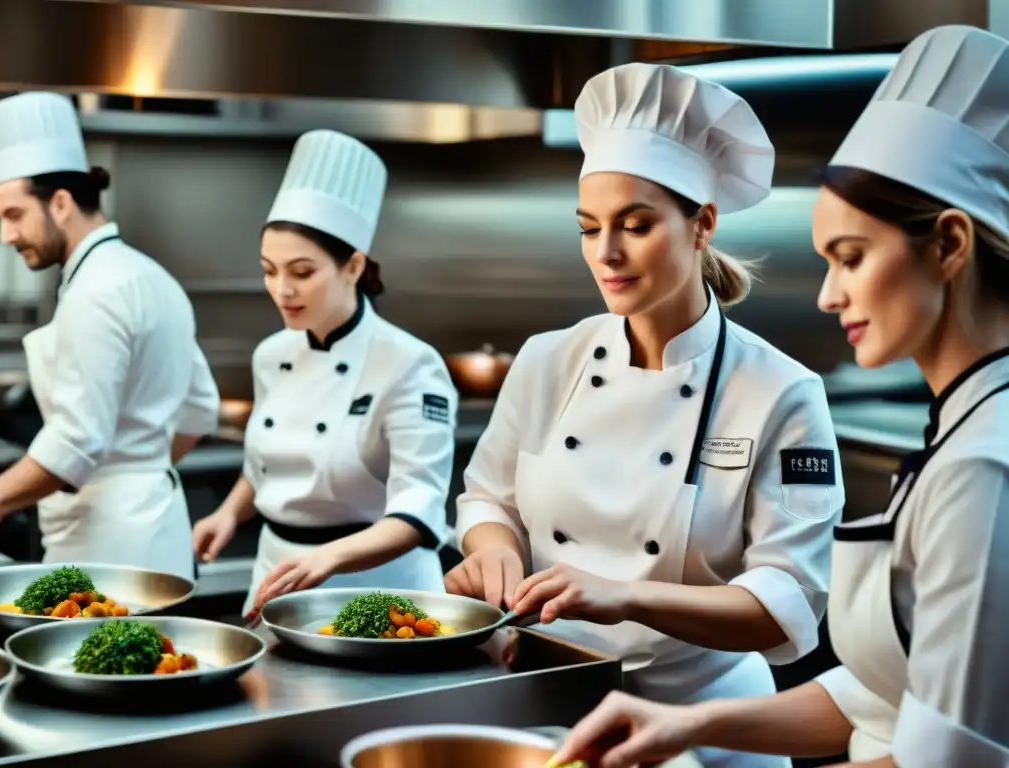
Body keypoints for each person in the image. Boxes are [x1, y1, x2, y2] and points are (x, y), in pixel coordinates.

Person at [548, 24, 1009, 768]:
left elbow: (947, 758)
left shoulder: (982, 467)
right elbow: (883, 699)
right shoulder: (963, 429)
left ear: (951, 244)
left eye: (851, 258)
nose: (828, 296)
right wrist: (685, 728)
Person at [446, 62, 845, 768]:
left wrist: (627, 596)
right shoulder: (546, 360)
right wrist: (495, 552)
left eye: (635, 225)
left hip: (707, 723)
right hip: (548, 701)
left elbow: (786, 601)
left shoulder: (781, 390)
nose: (606, 253)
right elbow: (486, 499)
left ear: (703, 224)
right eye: (589, 227)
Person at [190, 130, 458, 618]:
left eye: (301, 271)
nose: (281, 289)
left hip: (379, 589)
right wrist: (229, 513)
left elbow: (420, 507)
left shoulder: (409, 364)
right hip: (278, 571)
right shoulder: (271, 354)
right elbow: (269, 461)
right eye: (269, 270)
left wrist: (329, 559)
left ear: (353, 266)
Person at [0, 92, 219, 579]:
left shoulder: (94, 292)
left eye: (13, 215)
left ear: (61, 203)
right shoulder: (154, 277)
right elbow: (201, 409)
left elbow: (76, 441)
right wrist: (139, 469)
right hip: (158, 531)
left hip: (106, 550)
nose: (6, 236)